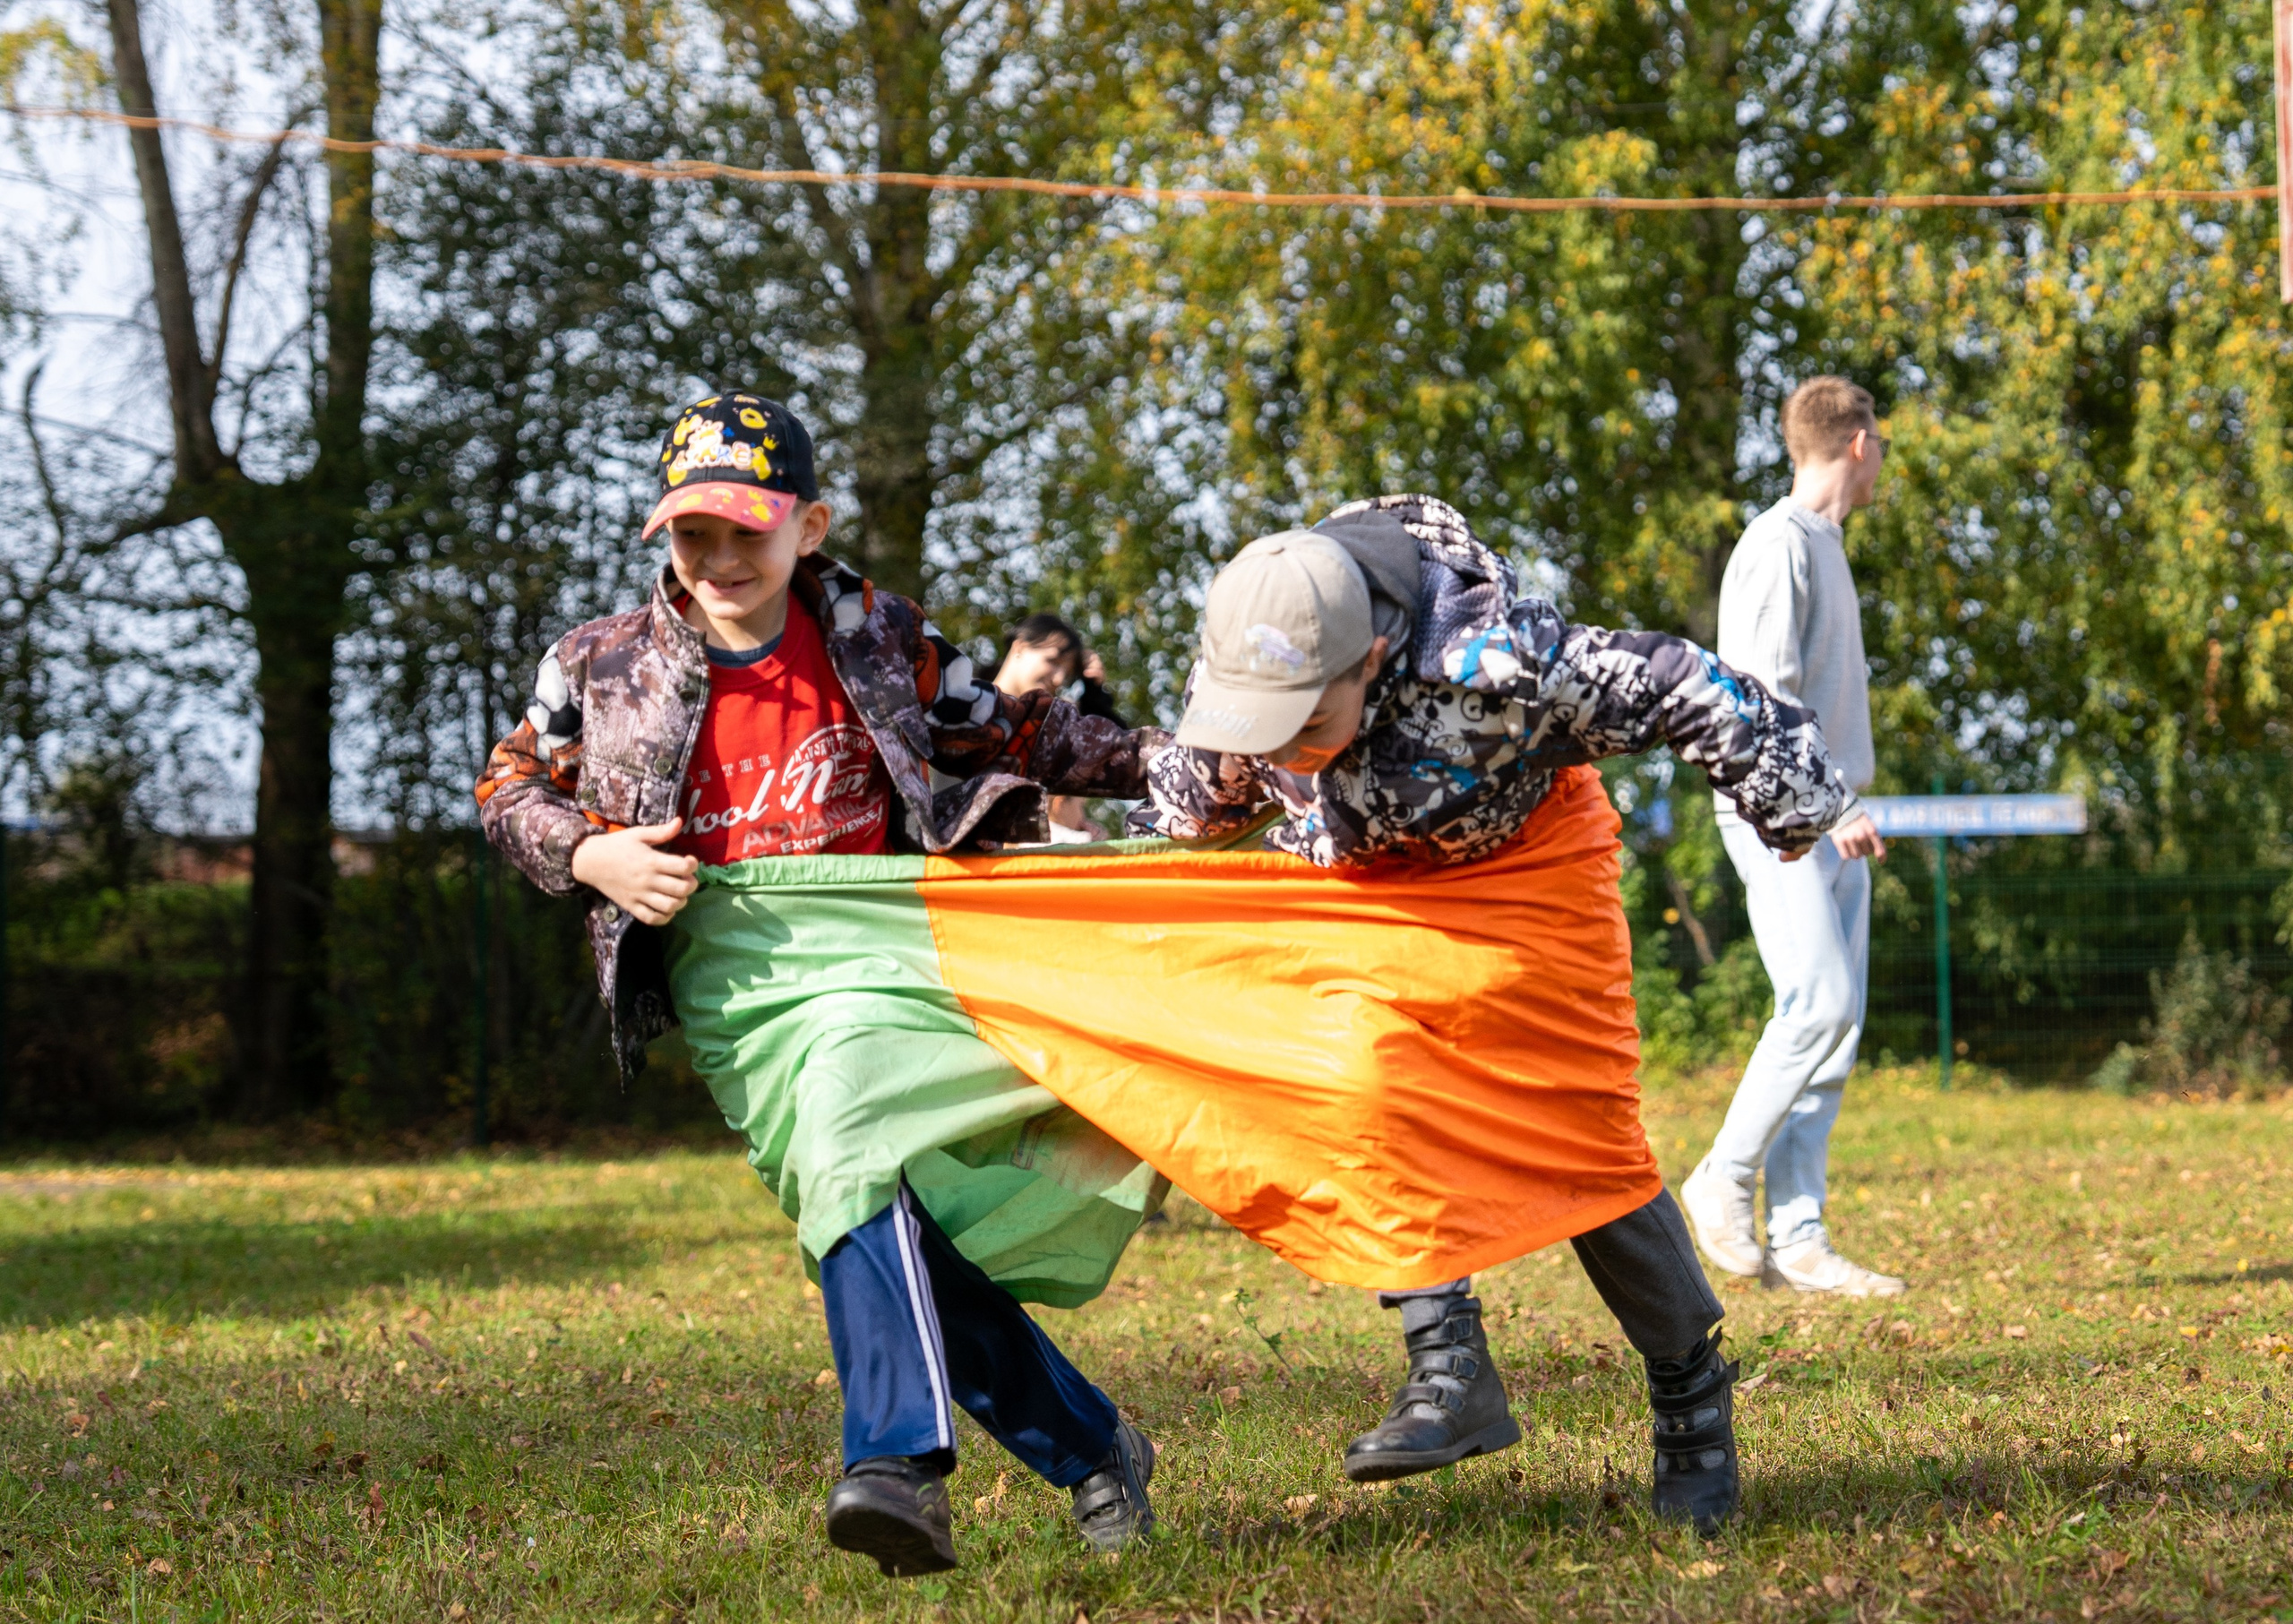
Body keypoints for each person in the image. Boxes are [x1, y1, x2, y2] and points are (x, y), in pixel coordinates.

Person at [476, 392, 1160, 1578]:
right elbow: (507, 787)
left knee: (848, 1148)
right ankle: (1096, 1447)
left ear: (809, 523)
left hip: (884, 950)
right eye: (695, 537)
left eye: (750, 531)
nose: (723, 560)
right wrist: (593, 854)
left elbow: (1007, 733)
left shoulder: (876, 634)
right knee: (874, 1219)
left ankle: (896, 1464)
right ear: (664, 540)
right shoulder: (600, 663)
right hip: (732, 985)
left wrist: (1190, 762)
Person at [1136, 494, 1859, 1533]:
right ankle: (1448, 1361)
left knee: (1577, 1143)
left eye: (1310, 719)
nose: (1283, 747)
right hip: (1372, 880)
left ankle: (1690, 1396)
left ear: (1374, 658)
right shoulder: (1252, 685)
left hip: (1527, 860)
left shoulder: (1501, 664)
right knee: (1359, 1066)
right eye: (1264, 723)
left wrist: (1796, 801)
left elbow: (1687, 683)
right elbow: (1179, 798)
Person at [1679, 376, 1902, 1299]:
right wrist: (1825, 805)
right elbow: (1760, 702)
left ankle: (1799, 1237)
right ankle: (1719, 1177)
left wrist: (1843, 799)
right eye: (1879, 441)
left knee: (1834, 1020)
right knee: (1815, 1001)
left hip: (1829, 814)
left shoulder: (1824, 545)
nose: (1882, 456)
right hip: (1782, 817)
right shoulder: (1776, 546)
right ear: (1857, 443)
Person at [994, 614, 1126, 842]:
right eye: (1053, 661)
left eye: (1066, 673)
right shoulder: (967, 703)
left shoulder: (1046, 726)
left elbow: (1115, 752)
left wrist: (1094, 695)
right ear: (1020, 647)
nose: (1058, 679)